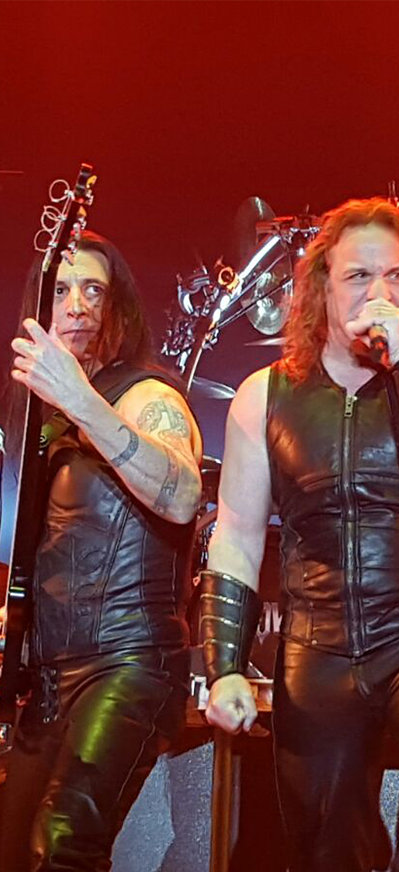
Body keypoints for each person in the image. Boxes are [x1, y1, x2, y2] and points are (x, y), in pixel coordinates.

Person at [200, 197, 399, 871]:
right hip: (318, 641)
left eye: (397, 277)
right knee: (325, 840)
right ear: (322, 286)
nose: (380, 293)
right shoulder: (266, 395)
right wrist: (223, 666)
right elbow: (236, 534)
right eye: (359, 276)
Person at [0, 231, 203, 871]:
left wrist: (83, 402)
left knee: (64, 843)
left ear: (120, 307)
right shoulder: (41, 420)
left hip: (128, 660)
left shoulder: (147, 395)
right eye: (61, 290)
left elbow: (182, 496)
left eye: (94, 289)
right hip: (53, 674)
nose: (78, 306)